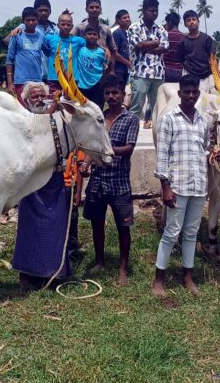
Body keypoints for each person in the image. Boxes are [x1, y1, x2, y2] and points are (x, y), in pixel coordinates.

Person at [152, 75, 220, 297]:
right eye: (187, 92)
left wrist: (214, 153)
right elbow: (162, 155)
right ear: (180, 93)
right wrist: (165, 186)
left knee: (191, 233)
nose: (191, 95)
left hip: (198, 185)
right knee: (172, 232)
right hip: (177, 186)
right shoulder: (169, 119)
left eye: (194, 92)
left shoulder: (202, 121)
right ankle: (159, 280)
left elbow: (204, 149)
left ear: (198, 94)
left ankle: (188, 277)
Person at [12, 81, 75, 289]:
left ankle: (54, 273)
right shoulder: (21, 120)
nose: (38, 99)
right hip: (30, 182)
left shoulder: (57, 118)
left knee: (55, 225)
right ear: (26, 100)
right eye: (34, 96)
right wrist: (54, 106)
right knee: (29, 228)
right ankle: (28, 274)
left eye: (42, 96)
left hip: (54, 179)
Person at [81, 75, 139, 285]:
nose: (111, 96)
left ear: (123, 95)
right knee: (97, 224)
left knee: (123, 226)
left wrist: (106, 151)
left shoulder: (131, 118)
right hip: (98, 181)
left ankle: (123, 268)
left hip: (119, 182)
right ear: (104, 96)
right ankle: (99, 262)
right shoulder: (99, 118)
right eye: (108, 93)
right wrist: (86, 164)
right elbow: (92, 147)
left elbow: (129, 149)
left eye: (116, 93)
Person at [128, 0, 168, 129]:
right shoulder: (134, 27)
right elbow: (138, 45)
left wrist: (146, 46)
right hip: (140, 73)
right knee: (136, 108)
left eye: (156, 11)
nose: (154, 14)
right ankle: (130, 137)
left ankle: (159, 136)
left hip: (157, 74)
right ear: (144, 10)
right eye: (151, 11)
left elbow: (165, 48)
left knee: (159, 109)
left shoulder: (161, 29)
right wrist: (156, 43)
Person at [6, 7, 46, 104]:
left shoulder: (41, 37)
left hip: (37, 81)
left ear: (37, 20)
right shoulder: (17, 36)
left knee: (36, 110)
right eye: (28, 20)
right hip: (21, 81)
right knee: (22, 110)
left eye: (33, 20)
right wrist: (10, 83)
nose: (31, 22)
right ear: (23, 21)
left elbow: (50, 52)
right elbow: (9, 60)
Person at [42, 10, 86, 94]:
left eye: (68, 25)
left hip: (72, 78)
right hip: (54, 77)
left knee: (70, 103)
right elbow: (44, 50)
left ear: (72, 26)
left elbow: (90, 48)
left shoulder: (79, 41)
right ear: (58, 25)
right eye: (63, 24)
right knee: (54, 102)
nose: (65, 27)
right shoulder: (49, 39)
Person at [71, 0, 118, 69]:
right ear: (86, 9)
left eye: (97, 7)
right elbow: (70, 43)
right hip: (83, 67)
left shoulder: (106, 28)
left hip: (101, 67)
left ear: (101, 9)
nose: (94, 9)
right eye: (91, 7)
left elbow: (114, 49)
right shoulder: (79, 28)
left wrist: (111, 68)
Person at [177, 10, 215, 82]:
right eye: (188, 20)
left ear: (198, 21)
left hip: (206, 75)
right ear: (185, 24)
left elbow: (212, 58)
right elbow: (181, 60)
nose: (192, 22)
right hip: (189, 74)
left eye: (194, 19)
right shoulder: (182, 42)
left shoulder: (207, 39)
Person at [76, 27, 109, 107]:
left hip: (96, 85)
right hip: (81, 85)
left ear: (98, 37)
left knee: (96, 109)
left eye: (94, 34)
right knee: (81, 110)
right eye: (89, 34)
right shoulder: (80, 49)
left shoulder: (102, 52)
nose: (92, 36)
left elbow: (106, 66)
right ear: (84, 36)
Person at [111, 9, 133, 85]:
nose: (127, 19)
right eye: (124, 18)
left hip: (127, 70)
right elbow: (115, 53)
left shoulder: (129, 33)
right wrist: (128, 63)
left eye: (128, 17)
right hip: (118, 69)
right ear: (118, 20)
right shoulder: (116, 33)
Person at [162, 12, 185, 83]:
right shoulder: (184, 37)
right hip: (179, 71)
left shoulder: (165, 36)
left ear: (170, 22)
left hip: (166, 70)